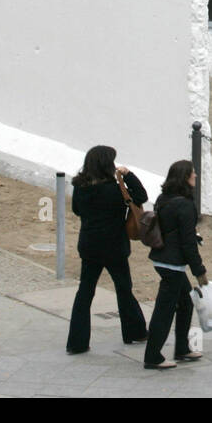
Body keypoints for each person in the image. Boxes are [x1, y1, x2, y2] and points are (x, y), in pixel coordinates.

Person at [67, 145, 149, 354]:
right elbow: (141, 196)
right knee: (123, 288)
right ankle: (135, 331)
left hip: (89, 244)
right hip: (114, 245)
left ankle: (77, 342)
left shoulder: (80, 185)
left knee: (85, 291)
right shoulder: (114, 189)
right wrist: (128, 175)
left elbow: (76, 209)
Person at [144, 159, 208, 370]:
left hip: (162, 258)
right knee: (165, 309)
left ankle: (181, 348)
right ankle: (153, 355)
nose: (195, 177)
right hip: (172, 263)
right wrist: (199, 271)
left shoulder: (164, 198)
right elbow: (187, 242)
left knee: (185, 302)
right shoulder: (185, 205)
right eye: (192, 174)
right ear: (185, 178)